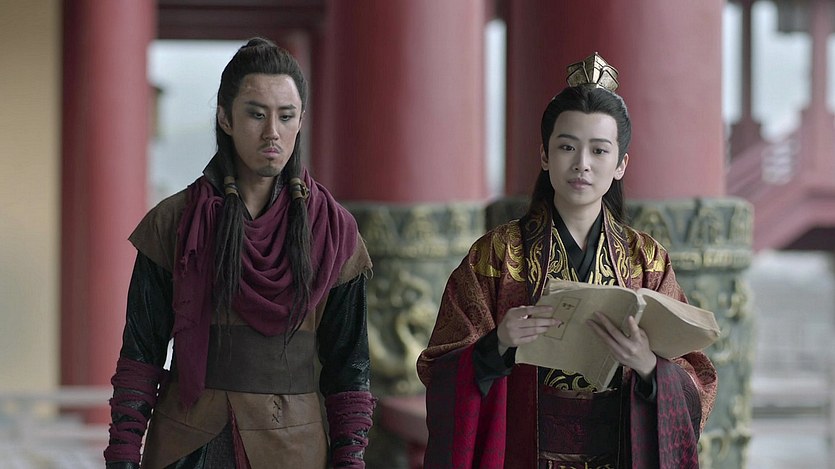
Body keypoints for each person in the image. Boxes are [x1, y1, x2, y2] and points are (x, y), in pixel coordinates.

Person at [417, 53, 717, 468]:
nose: (582, 164)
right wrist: (498, 344)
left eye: (599, 150)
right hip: (522, 454)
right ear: (545, 156)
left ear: (620, 164)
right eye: (566, 147)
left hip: (618, 454)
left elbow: (697, 381)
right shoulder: (498, 254)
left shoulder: (646, 260)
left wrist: (649, 367)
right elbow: (439, 370)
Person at [103, 37, 374, 469]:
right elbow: (141, 354)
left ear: (301, 120)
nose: (272, 132)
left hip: (296, 447)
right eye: (256, 114)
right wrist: (122, 456)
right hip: (187, 444)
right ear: (225, 118)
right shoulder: (175, 223)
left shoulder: (334, 231)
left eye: (286, 116)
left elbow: (350, 370)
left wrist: (350, 460)